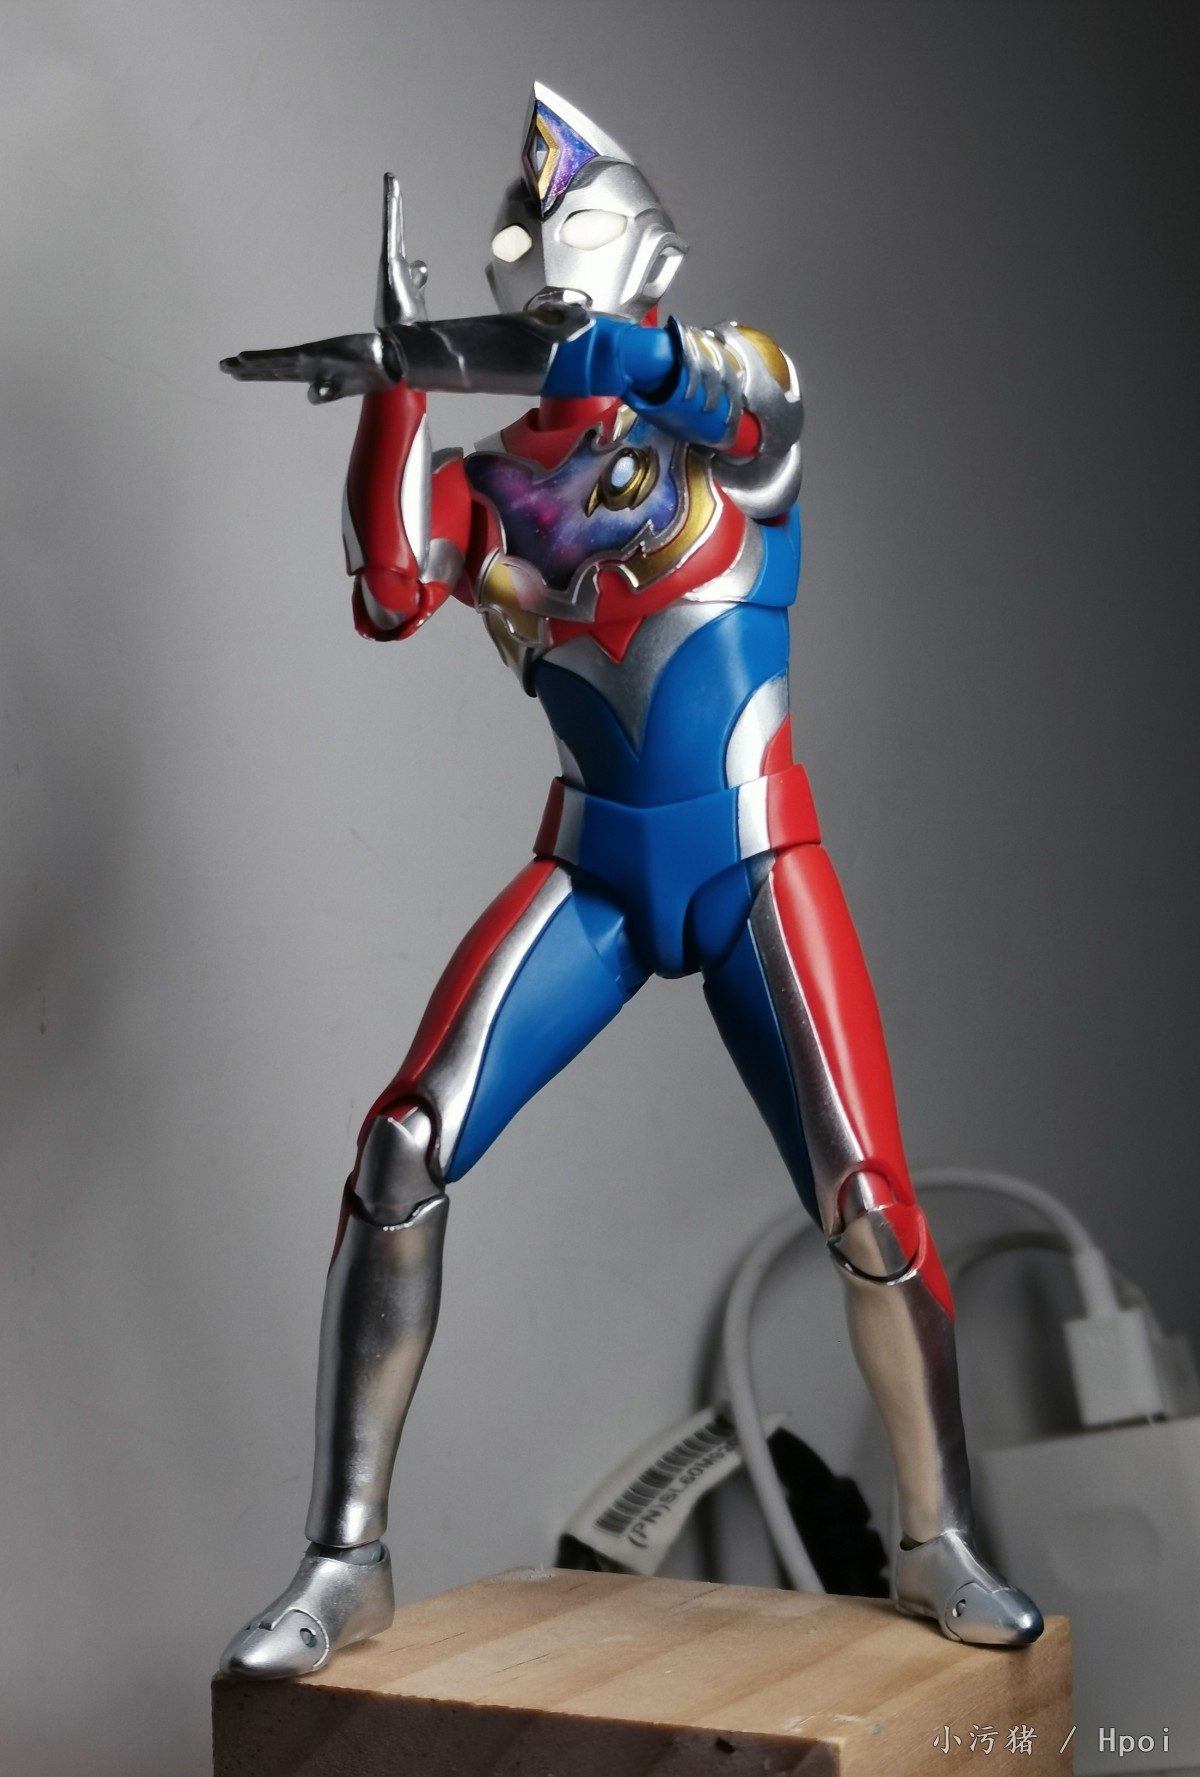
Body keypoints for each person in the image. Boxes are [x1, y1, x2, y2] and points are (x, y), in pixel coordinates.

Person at [218, 85, 1042, 1679]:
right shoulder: (495, 484)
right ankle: (344, 1557)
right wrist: (395, 390)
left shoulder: (733, 405)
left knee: (869, 1202)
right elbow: (390, 589)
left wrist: (619, 356)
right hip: (593, 867)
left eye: (560, 239)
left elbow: (737, 400)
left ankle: (939, 1534)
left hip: (752, 857)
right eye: (519, 249)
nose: (533, 268)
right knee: (401, 1148)